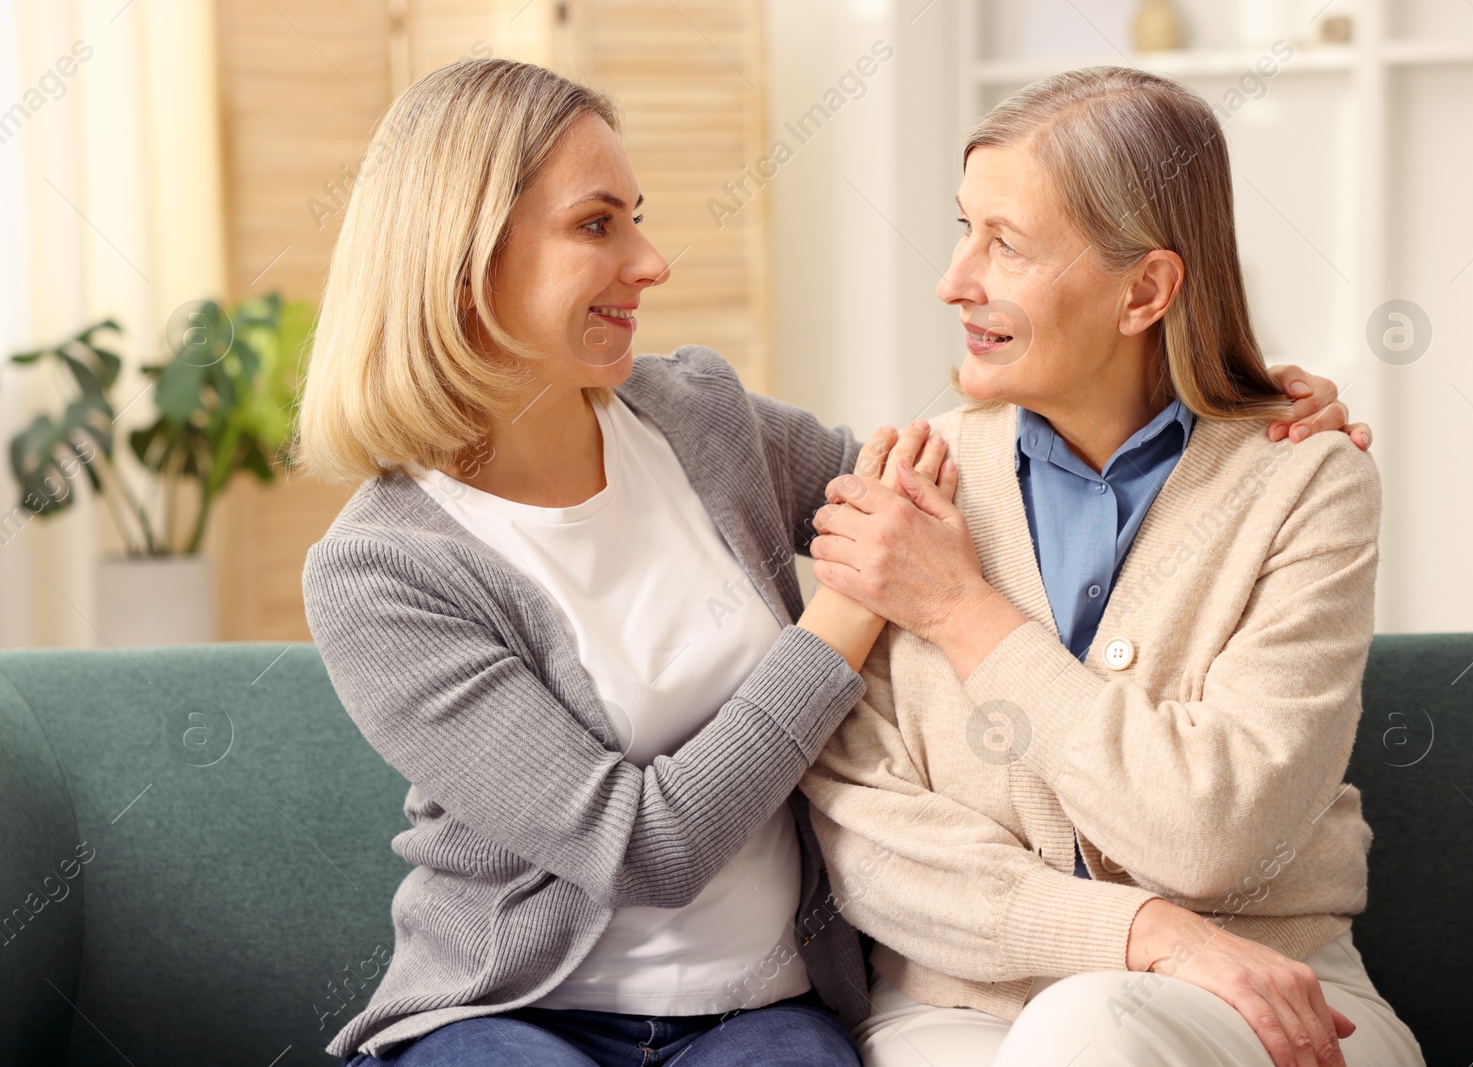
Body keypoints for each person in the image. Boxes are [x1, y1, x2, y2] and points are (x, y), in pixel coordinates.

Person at [293, 58, 1364, 1066]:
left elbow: (973, 484)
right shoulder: (384, 570)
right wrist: (848, 611)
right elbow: (644, 844)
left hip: (759, 1006)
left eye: (638, 219)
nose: (651, 263)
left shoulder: (697, 416)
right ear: (468, 259)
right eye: (596, 225)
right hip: (517, 1004)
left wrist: (1221, 385)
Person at [802, 67, 1424, 1067]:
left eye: (1006, 244)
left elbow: (1212, 834)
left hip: (1265, 1000)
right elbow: (872, 845)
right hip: (957, 1012)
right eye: (963, 228)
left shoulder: (1303, 481)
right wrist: (1136, 933)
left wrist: (964, 612)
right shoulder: (907, 487)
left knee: (1093, 1027)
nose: (953, 278)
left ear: (1144, 289)